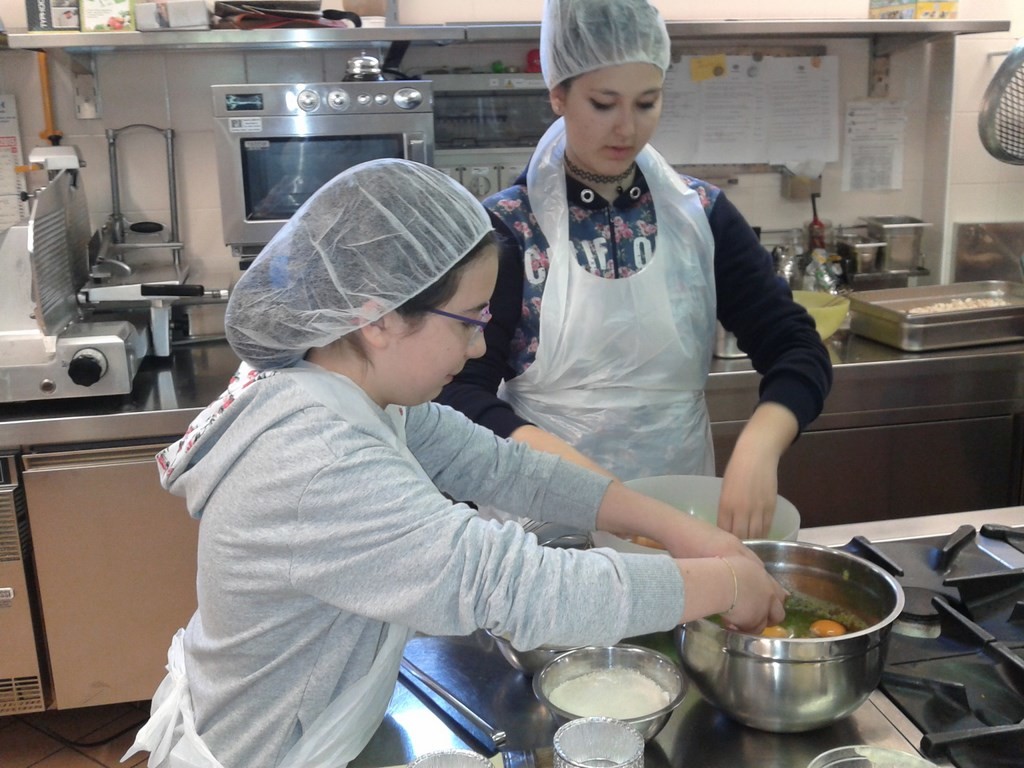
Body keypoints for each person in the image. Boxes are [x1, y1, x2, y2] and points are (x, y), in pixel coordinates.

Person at [122, 158, 787, 768]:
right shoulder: (317, 460)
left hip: (324, 731)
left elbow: (506, 468)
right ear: (379, 319)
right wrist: (726, 584)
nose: (477, 348)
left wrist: (676, 528)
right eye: (468, 319)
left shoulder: (357, 394)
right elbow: (520, 588)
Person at [436, 0, 833, 540]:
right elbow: (458, 393)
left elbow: (795, 346)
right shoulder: (509, 229)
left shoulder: (701, 216)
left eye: (647, 102)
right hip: (545, 527)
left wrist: (760, 445)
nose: (627, 127)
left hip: (678, 525)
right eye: (603, 104)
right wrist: (596, 490)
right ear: (558, 95)